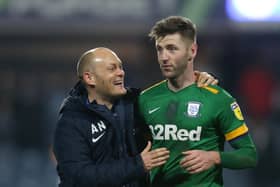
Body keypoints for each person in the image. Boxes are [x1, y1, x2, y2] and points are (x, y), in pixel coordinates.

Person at [53, 46, 218, 187]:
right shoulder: (73, 120)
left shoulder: (135, 103)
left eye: (121, 67)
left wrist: (198, 83)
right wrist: (138, 165)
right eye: (112, 69)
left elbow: (176, 103)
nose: (121, 73)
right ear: (90, 78)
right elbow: (78, 177)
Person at [138, 16, 257, 187]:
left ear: (192, 51)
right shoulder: (146, 99)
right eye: (160, 49)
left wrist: (214, 157)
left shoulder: (218, 99)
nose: (164, 57)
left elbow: (249, 155)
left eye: (172, 49)